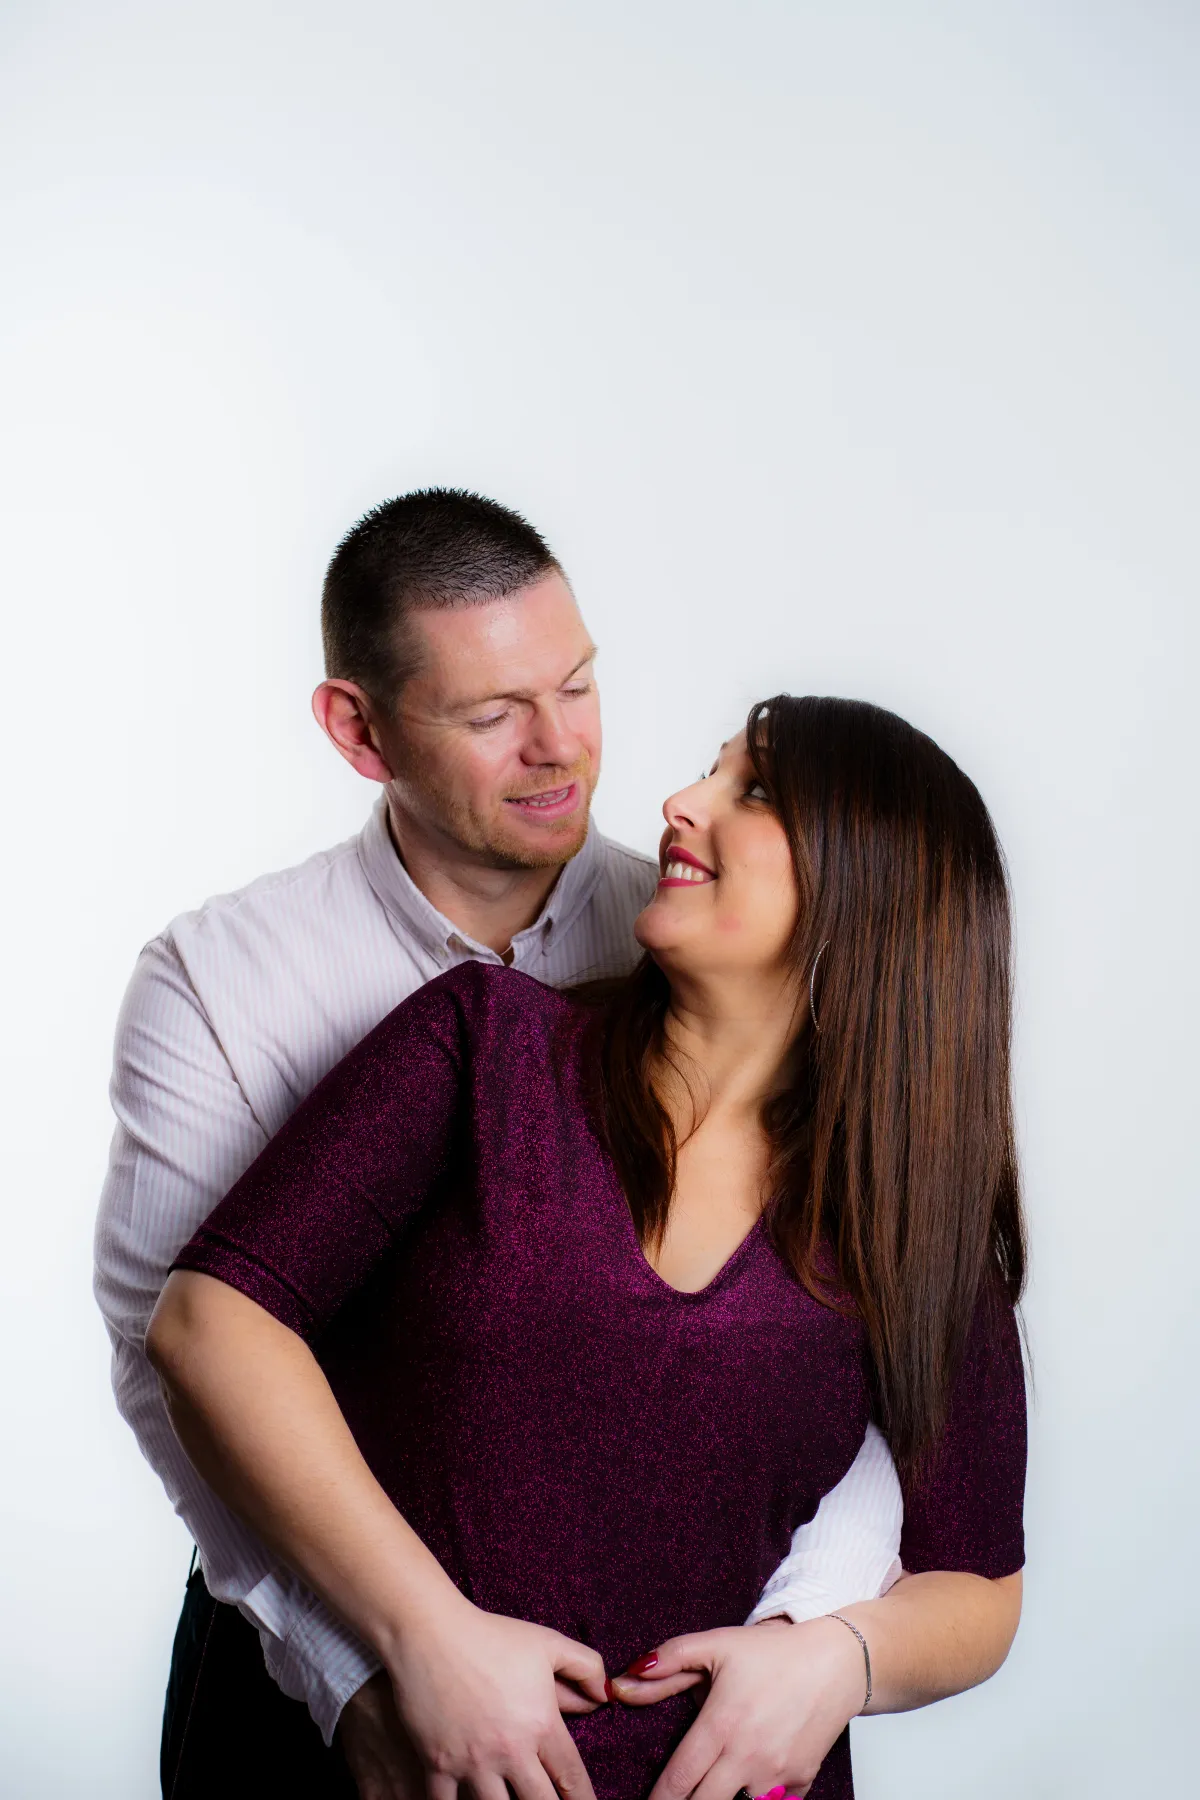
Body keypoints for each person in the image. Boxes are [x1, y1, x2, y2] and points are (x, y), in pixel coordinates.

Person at [94, 493, 905, 1800]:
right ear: (358, 730)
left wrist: (806, 1641)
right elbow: (172, 1356)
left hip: (691, 1692)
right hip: (320, 1695)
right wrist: (364, 1665)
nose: (560, 749)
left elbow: (873, 1323)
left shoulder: (717, 931)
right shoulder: (218, 979)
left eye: (577, 687)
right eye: (492, 716)